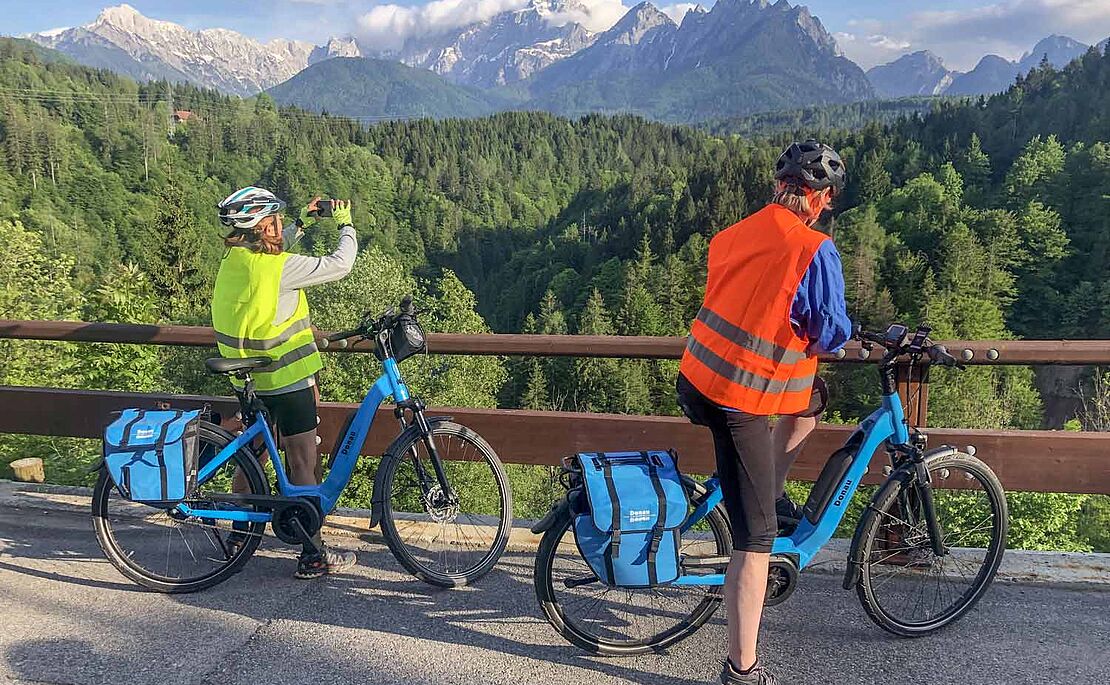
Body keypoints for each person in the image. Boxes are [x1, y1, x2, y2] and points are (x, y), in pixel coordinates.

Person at [675, 141, 852, 684]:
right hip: (739, 398)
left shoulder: (734, 234)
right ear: (820, 200)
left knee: (813, 397)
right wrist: (844, 336)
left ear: (780, 188)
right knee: (755, 542)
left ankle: (768, 490)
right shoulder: (813, 249)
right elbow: (830, 328)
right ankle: (742, 669)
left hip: (699, 377)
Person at [211, 186, 358, 579]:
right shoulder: (280, 268)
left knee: (252, 454)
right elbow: (340, 264)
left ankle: (240, 538)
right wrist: (345, 224)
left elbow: (276, 252)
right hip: (287, 378)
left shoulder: (235, 260)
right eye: (274, 220)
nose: (279, 226)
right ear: (262, 228)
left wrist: (304, 221)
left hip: (250, 378)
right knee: (302, 461)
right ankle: (313, 555)